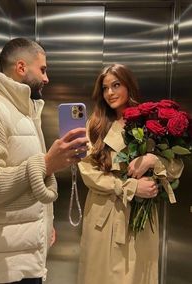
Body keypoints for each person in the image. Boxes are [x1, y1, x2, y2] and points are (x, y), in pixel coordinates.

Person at [0, 38, 88, 284]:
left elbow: (23, 180)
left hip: (25, 255)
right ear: (21, 67)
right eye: (43, 69)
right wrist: (48, 164)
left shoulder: (25, 112)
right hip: (1, 266)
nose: (47, 78)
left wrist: (45, 225)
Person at [77, 64, 184, 284]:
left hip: (138, 219)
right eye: (105, 88)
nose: (110, 93)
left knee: (136, 276)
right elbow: (88, 172)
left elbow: (176, 168)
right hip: (103, 215)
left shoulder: (150, 123)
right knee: (99, 276)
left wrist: (153, 160)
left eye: (116, 85)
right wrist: (131, 187)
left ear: (129, 86)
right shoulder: (95, 125)